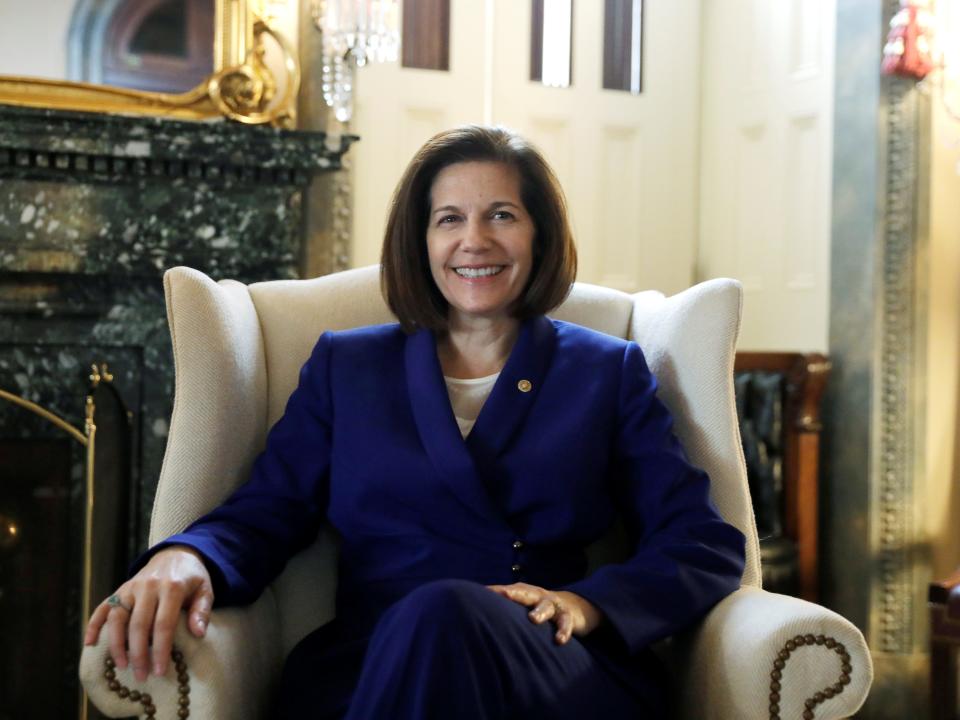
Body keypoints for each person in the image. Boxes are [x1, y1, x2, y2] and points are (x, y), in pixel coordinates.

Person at [85, 125, 746, 719]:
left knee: (448, 612)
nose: (473, 240)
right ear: (421, 239)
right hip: (373, 666)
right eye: (449, 218)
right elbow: (267, 510)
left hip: (548, 664)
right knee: (432, 618)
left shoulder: (607, 371)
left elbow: (701, 543)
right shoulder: (348, 367)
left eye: (502, 216)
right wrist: (185, 555)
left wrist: (588, 603)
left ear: (538, 233)